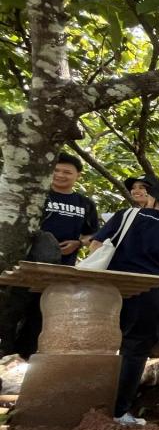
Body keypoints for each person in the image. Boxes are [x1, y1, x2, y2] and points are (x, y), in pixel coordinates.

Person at [89, 176, 159, 426]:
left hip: (111, 289)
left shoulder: (127, 216)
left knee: (99, 344)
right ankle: (119, 411)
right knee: (135, 352)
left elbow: (96, 244)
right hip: (152, 292)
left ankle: (89, 404)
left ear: (154, 197)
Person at [9, 153, 100, 358]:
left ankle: (25, 359)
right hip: (24, 267)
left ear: (78, 176)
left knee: (41, 316)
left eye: (67, 172)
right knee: (13, 311)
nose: (60, 175)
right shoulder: (38, 196)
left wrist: (78, 243)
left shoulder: (84, 204)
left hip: (60, 271)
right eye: (56, 170)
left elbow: (93, 234)